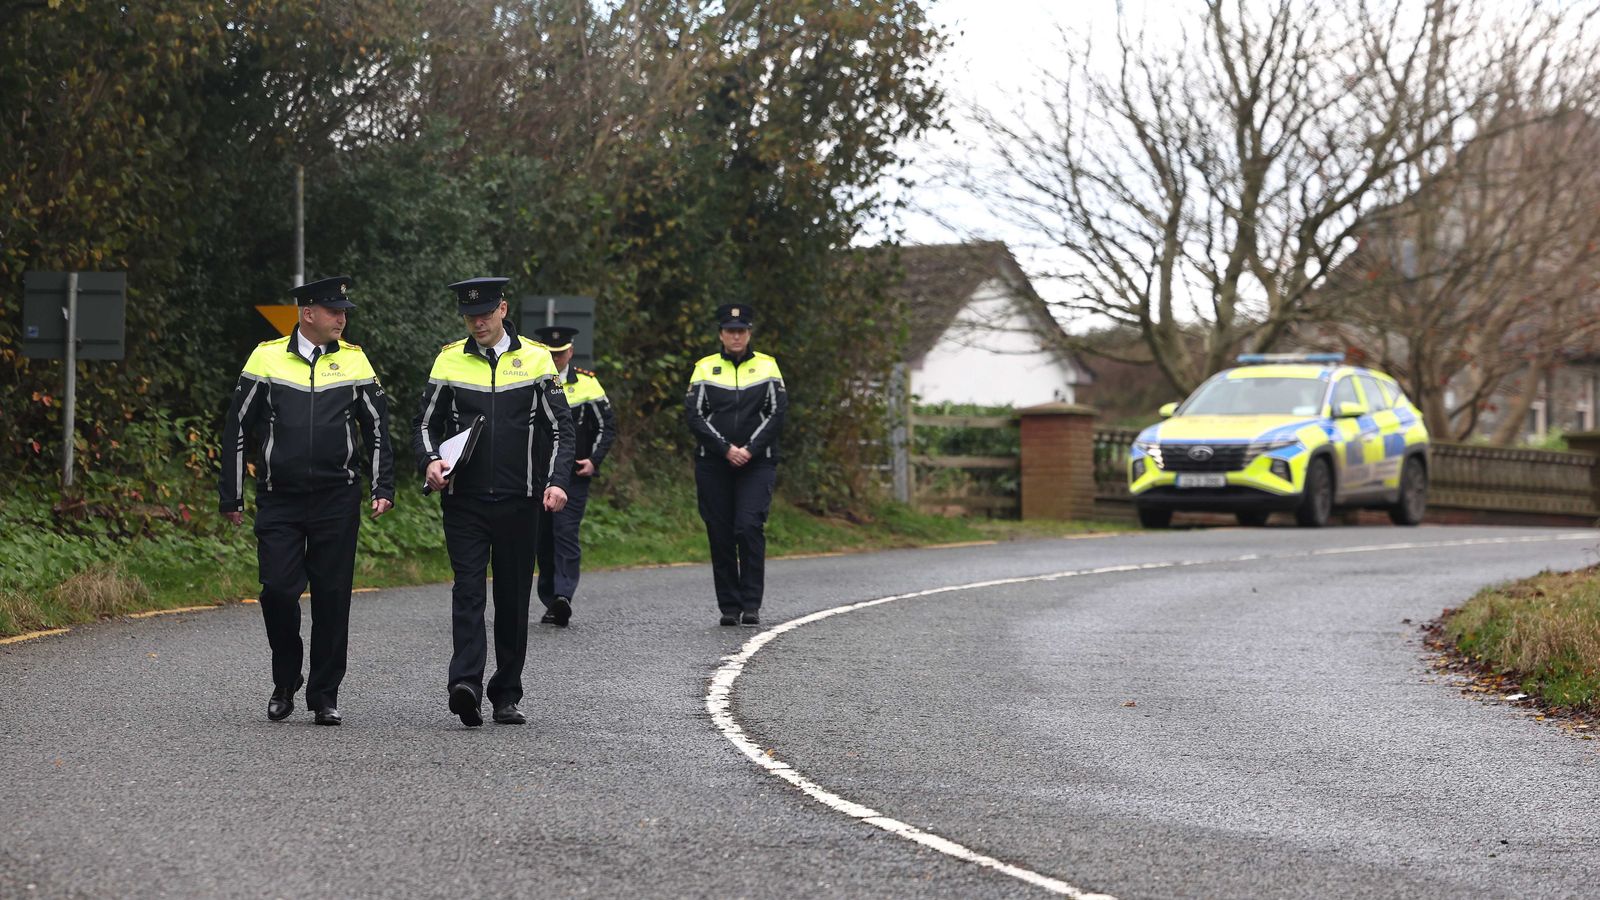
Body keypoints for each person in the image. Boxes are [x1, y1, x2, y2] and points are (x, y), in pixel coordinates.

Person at [218, 275, 395, 726]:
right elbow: (238, 426)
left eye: (344, 311)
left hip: (337, 497)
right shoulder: (266, 357)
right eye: (334, 310)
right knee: (278, 590)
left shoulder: (355, 362)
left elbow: (377, 426)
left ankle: (324, 695)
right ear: (307, 313)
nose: (342, 318)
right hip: (280, 498)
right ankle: (285, 679)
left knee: (333, 598)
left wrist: (382, 486)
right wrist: (232, 494)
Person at [412, 278, 575, 727]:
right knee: (467, 591)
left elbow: (561, 427)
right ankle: (464, 684)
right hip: (464, 502)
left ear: (503, 309)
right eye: (470, 316)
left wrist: (557, 481)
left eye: (485, 313)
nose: (478, 322)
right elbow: (424, 423)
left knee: (511, 598)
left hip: (521, 501)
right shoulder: (449, 359)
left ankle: (506, 693)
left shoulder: (537, 358)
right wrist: (429, 460)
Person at [683, 303, 788, 627]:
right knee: (720, 532)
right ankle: (729, 606)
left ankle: (751, 604)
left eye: (741, 330)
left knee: (748, 526)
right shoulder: (704, 367)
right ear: (721, 334)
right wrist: (726, 449)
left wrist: (750, 450)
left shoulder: (768, 367)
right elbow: (694, 415)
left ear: (749, 333)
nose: (736, 336)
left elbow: (777, 412)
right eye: (730, 331)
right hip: (714, 463)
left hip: (757, 464)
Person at [530, 325, 615, 627]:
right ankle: (550, 598)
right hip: (538, 475)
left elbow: (607, 426)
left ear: (570, 352)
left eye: (560, 353)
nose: (555, 359)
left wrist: (594, 460)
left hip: (574, 475)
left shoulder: (589, 384)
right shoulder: (530, 379)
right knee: (542, 537)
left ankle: (563, 595)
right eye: (550, 354)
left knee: (564, 533)